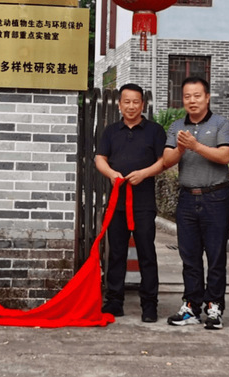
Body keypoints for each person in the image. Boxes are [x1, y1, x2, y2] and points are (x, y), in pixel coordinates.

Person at [162, 77, 229, 329]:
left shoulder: (221, 123)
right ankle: (191, 306)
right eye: (187, 96)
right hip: (187, 199)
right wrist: (182, 148)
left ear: (207, 97)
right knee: (189, 256)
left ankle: (214, 307)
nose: (192, 101)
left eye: (197, 96)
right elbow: (167, 160)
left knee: (216, 256)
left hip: (216, 198)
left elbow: (225, 156)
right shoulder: (176, 126)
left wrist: (195, 145)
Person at [95, 84, 166, 323]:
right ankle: (114, 301)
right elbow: (100, 158)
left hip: (143, 203)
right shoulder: (111, 131)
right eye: (127, 101)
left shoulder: (155, 131)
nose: (131, 106)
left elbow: (163, 161)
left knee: (147, 253)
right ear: (119, 104)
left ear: (142, 104)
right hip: (117, 202)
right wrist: (111, 173)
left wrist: (144, 173)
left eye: (136, 102)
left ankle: (150, 304)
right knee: (116, 253)